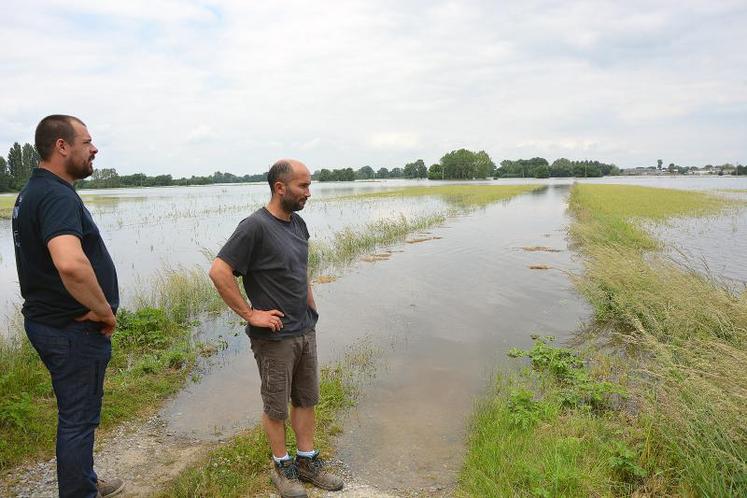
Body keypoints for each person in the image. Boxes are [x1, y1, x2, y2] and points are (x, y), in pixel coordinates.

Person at [209, 159, 343, 498]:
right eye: (303, 186)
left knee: (306, 398)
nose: (308, 193)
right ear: (279, 187)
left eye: (309, 185)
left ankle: (307, 461)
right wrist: (250, 314)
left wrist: (310, 303)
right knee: (275, 405)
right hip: (275, 337)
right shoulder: (254, 226)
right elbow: (219, 272)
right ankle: (281, 467)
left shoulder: (298, 224)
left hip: (303, 329)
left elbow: (301, 269)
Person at [12, 115, 125, 498]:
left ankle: (84, 480)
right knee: (78, 419)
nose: (94, 149)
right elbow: (70, 263)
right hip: (72, 329)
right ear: (62, 146)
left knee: (76, 416)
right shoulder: (56, 195)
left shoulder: (33, 191)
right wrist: (104, 310)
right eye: (87, 142)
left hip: (51, 323)